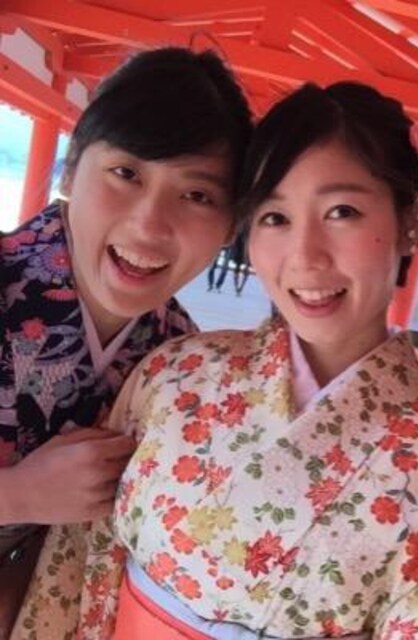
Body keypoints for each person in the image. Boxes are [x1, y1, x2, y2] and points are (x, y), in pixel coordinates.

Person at [16, 81, 418, 640]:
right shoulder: (176, 372)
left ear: (411, 218)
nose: (305, 256)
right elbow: (78, 566)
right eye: (275, 218)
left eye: (342, 211)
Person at [0, 46, 252, 636]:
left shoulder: (181, 361)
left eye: (196, 195)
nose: (149, 224)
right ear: (70, 170)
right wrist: (18, 495)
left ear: (231, 225)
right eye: (126, 174)